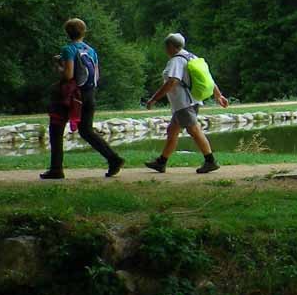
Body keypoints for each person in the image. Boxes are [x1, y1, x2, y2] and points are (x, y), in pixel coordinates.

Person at [41, 18, 125, 180]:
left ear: (67, 33)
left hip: (72, 97)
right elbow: (96, 74)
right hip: (89, 94)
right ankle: (113, 159)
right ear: (84, 32)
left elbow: (69, 75)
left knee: (56, 129)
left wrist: (58, 66)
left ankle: (56, 169)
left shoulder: (68, 49)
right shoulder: (91, 50)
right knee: (86, 131)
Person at [143, 33, 229, 174]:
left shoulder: (176, 60)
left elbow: (172, 82)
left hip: (183, 103)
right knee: (172, 130)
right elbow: (208, 78)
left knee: (194, 130)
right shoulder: (191, 56)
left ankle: (210, 161)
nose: (165, 50)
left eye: (166, 47)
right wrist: (218, 95)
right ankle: (161, 162)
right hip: (192, 100)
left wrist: (154, 98)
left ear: (170, 46)